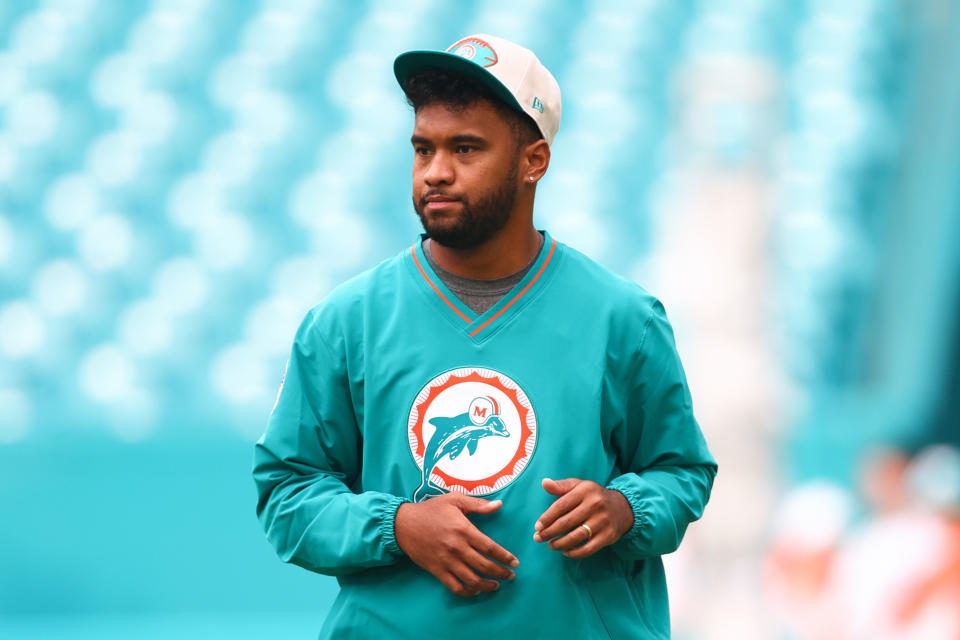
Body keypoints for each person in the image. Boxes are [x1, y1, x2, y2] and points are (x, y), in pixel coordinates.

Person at [252, 33, 717, 640]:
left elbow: (680, 471)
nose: (436, 172)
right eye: (423, 149)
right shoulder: (345, 320)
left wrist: (625, 509)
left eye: (465, 148)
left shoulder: (622, 317)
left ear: (534, 161)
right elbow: (287, 494)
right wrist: (398, 526)